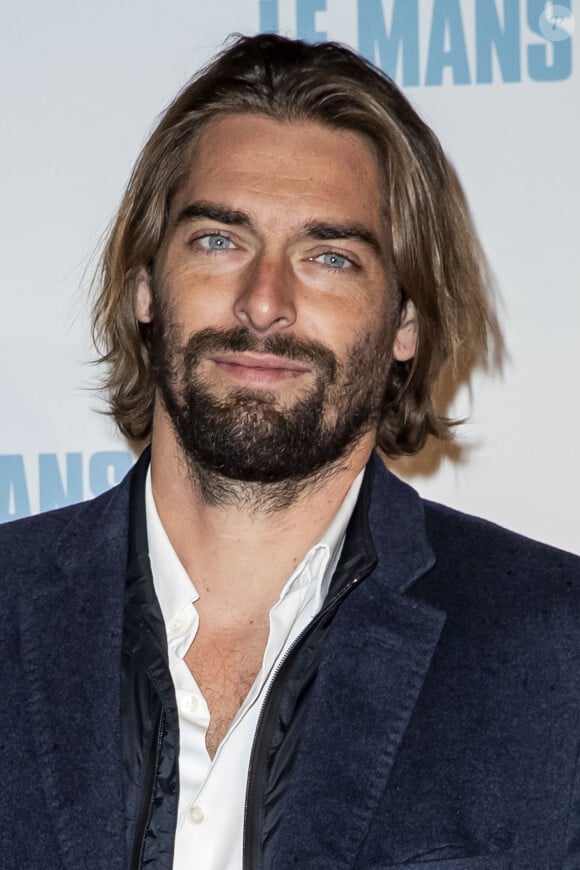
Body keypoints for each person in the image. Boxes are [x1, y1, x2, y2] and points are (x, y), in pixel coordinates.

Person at [0, 33, 579, 870]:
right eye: (218, 241)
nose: (264, 302)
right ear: (144, 285)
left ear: (405, 325)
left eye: (329, 257)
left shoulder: (552, 654)